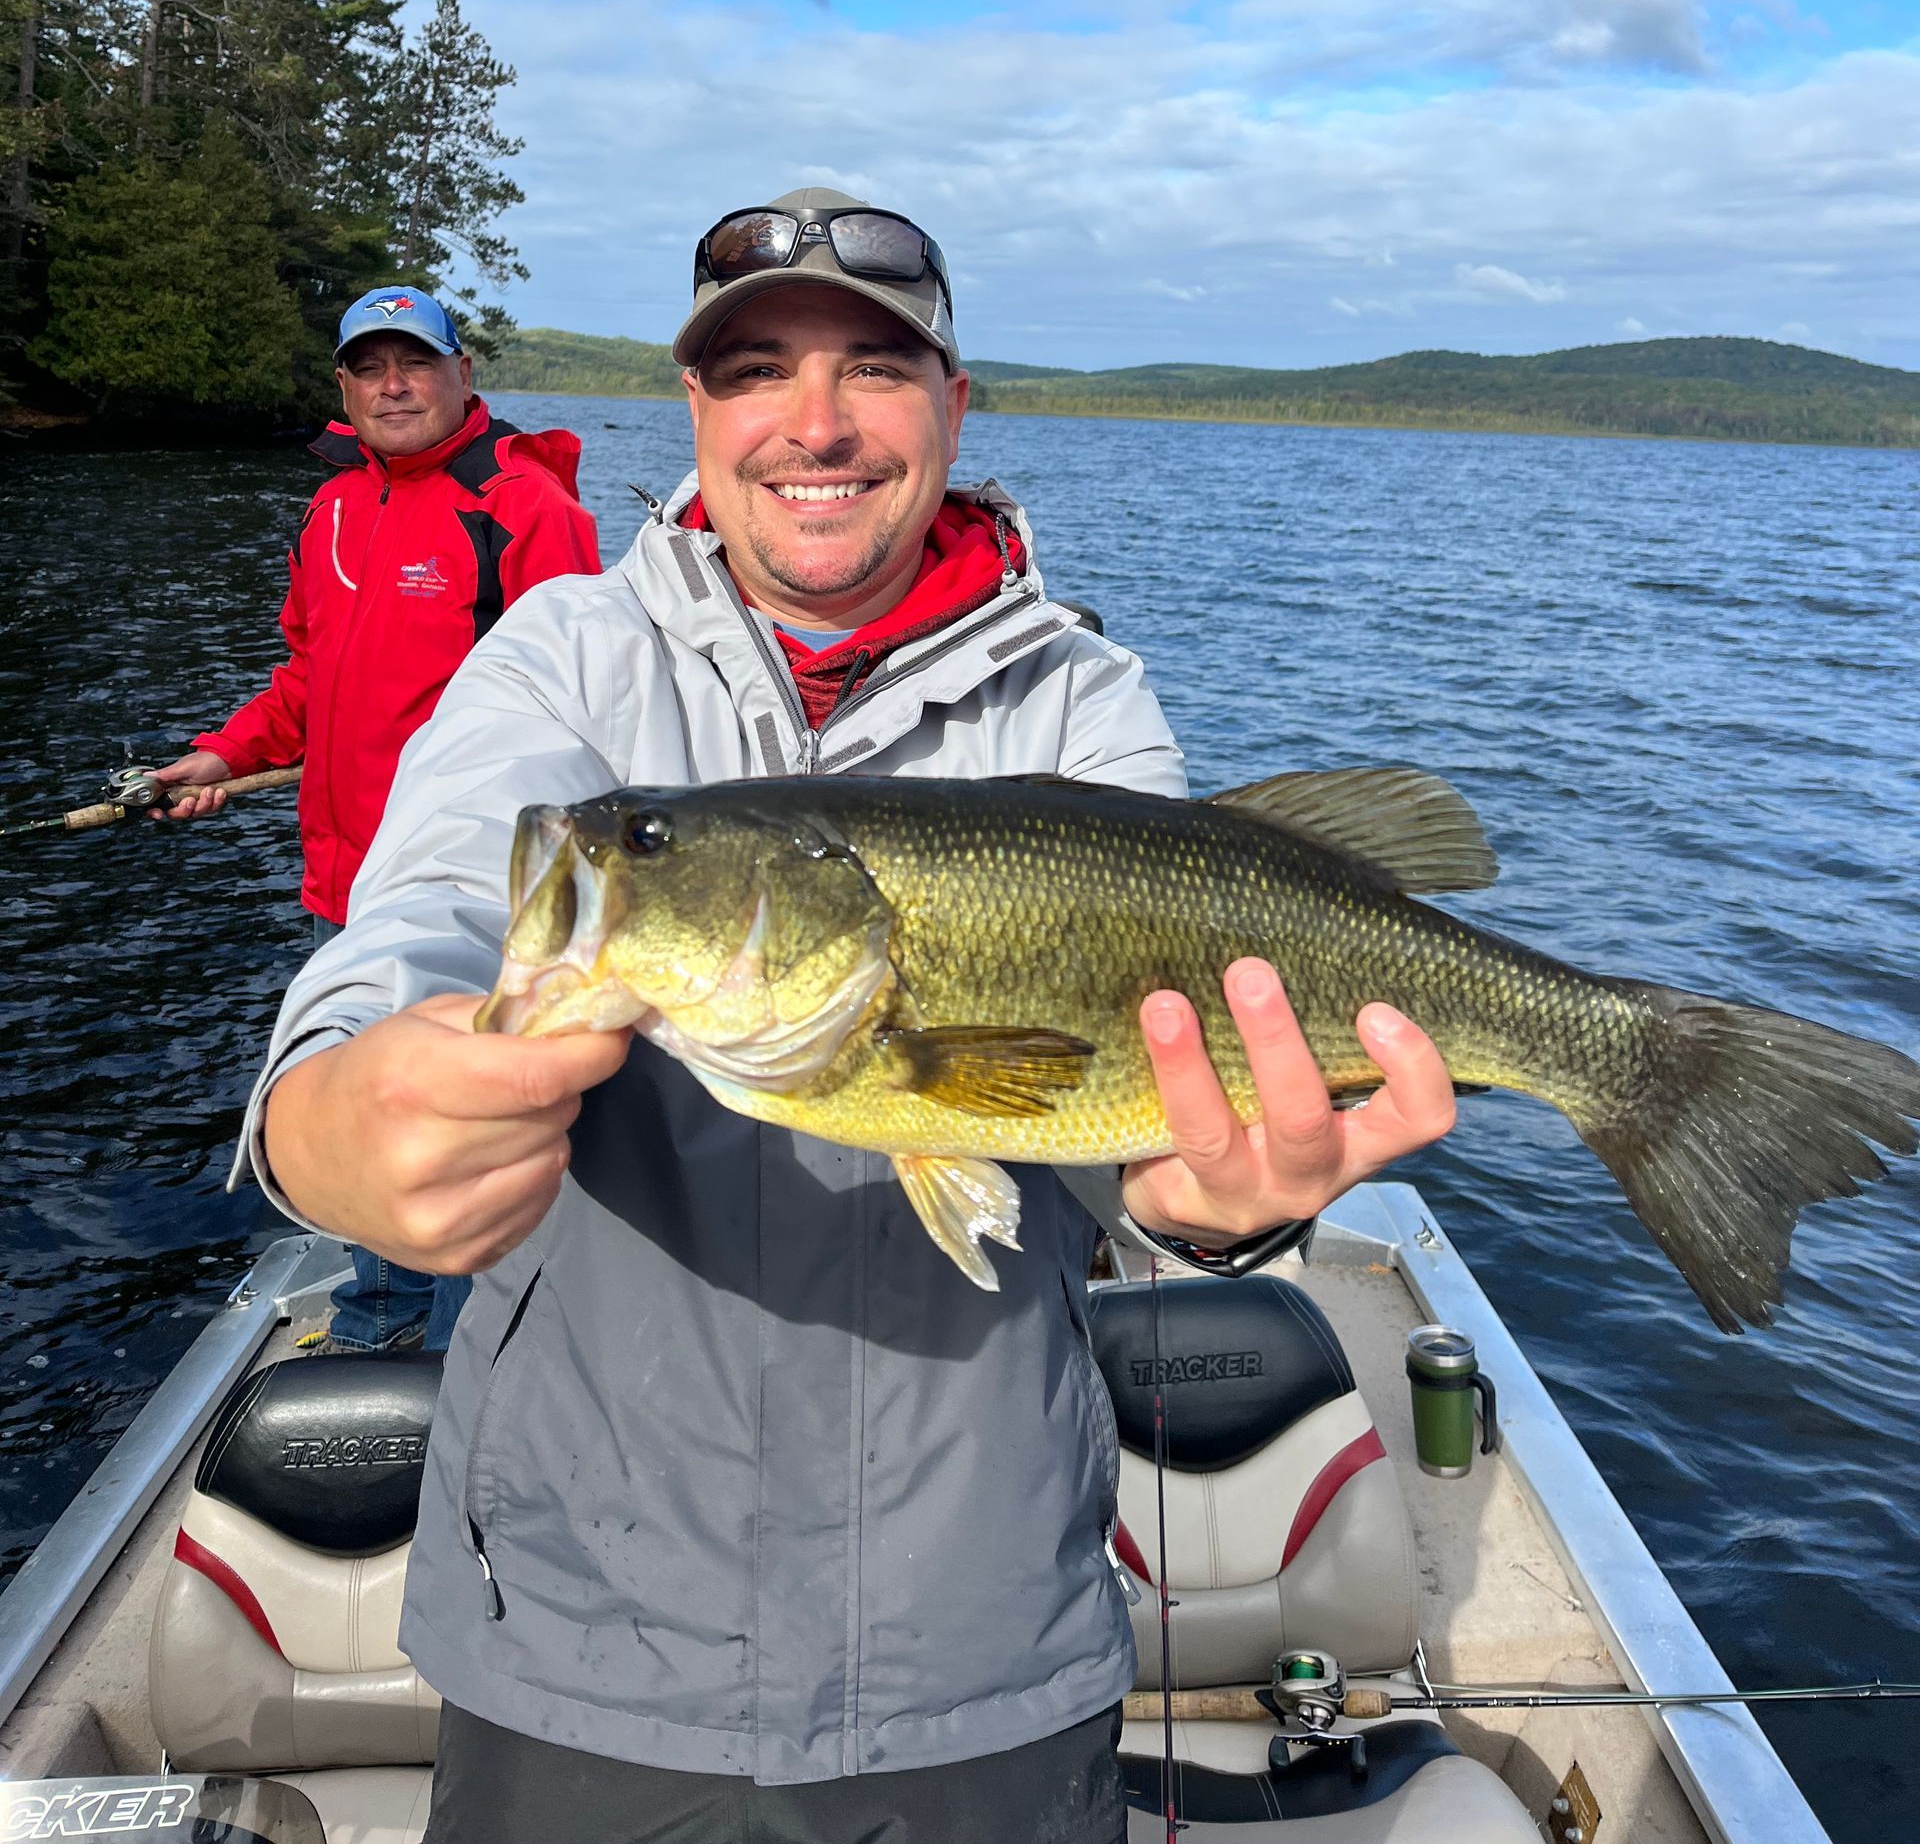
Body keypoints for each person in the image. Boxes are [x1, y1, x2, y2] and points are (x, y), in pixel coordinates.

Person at [238, 192, 1457, 1843]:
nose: (813, 424)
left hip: (985, 1644)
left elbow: (1139, 1148)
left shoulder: (1082, 698)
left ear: (955, 405)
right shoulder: (565, 653)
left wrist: (1215, 1207)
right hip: (577, 1635)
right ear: (695, 409)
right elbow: (426, 917)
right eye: (754, 371)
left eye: (874, 368)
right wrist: (329, 1119)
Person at [160, 283, 601, 1353]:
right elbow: (310, 677)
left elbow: (586, 707)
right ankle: (378, 1323)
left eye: (415, 362)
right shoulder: (333, 509)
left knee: (462, 1147)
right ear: (345, 388)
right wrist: (227, 752)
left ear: (463, 374)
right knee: (373, 1126)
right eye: (370, 367)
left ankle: (462, 1372)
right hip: (343, 889)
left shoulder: (527, 508)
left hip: (474, 903)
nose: (393, 385)